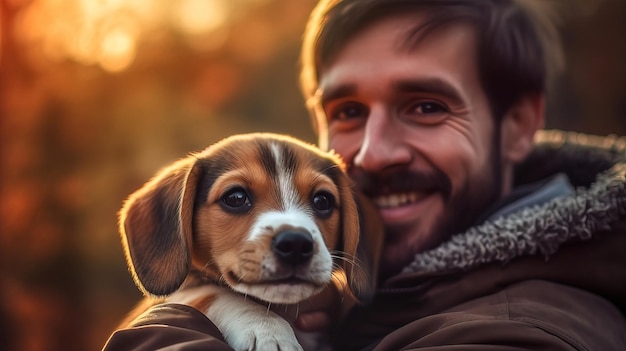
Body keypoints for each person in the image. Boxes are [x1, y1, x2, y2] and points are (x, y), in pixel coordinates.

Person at [103, 0, 626, 350]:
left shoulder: (525, 325)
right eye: (348, 111)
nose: (373, 155)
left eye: (426, 106)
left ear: (518, 126)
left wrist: (176, 321)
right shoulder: (375, 283)